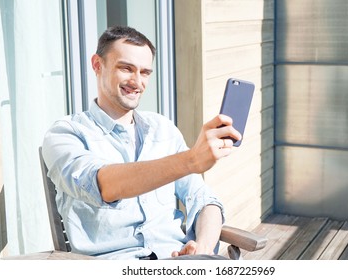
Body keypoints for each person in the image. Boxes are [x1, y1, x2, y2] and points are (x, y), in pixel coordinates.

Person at [41, 25, 241, 260]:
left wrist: (202, 251)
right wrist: (191, 160)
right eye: (126, 69)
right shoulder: (66, 134)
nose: (136, 82)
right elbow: (103, 185)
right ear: (97, 65)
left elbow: (205, 200)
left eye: (145, 72)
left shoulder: (163, 129)